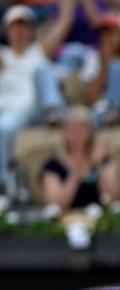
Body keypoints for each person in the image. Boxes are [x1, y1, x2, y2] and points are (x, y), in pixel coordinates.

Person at [0, 4, 70, 193]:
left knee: (42, 69)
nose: (19, 31)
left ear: (31, 30)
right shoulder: (3, 56)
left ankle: (54, 111)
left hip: (39, 109)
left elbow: (63, 25)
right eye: (15, 26)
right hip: (12, 112)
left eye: (24, 26)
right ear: (7, 30)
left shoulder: (38, 52)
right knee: (4, 126)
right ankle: (6, 182)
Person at [41, 106, 118, 211]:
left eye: (81, 129)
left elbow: (111, 200)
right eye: (72, 130)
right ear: (64, 134)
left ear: (90, 133)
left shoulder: (102, 160)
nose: (76, 135)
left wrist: (97, 165)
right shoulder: (53, 165)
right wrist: (77, 173)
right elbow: (57, 205)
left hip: (98, 221)